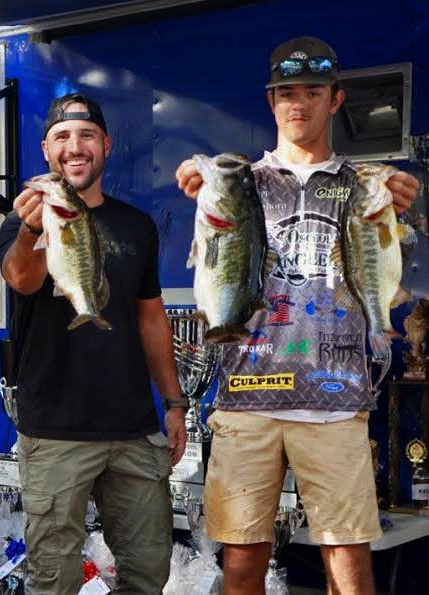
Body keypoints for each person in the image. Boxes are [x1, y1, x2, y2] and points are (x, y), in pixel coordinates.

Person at [176, 36, 419, 595]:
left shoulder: (362, 184)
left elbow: (389, 257)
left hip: (335, 400)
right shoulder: (244, 179)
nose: (299, 104)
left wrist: (400, 202)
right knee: (241, 563)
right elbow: (203, 174)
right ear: (271, 100)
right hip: (246, 396)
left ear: (335, 100)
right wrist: (195, 174)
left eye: (314, 91)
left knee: (350, 567)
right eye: (287, 92)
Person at [0, 92, 186, 594]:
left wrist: (173, 403)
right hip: (54, 432)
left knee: (148, 572)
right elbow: (22, 280)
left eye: (85, 137)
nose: (74, 148)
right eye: (62, 137)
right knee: (53, 578)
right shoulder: (21, 220)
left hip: (133, 428)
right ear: (45, 150)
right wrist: (32, 227)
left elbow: (150, 318)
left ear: (105, 145)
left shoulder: (138, 226)